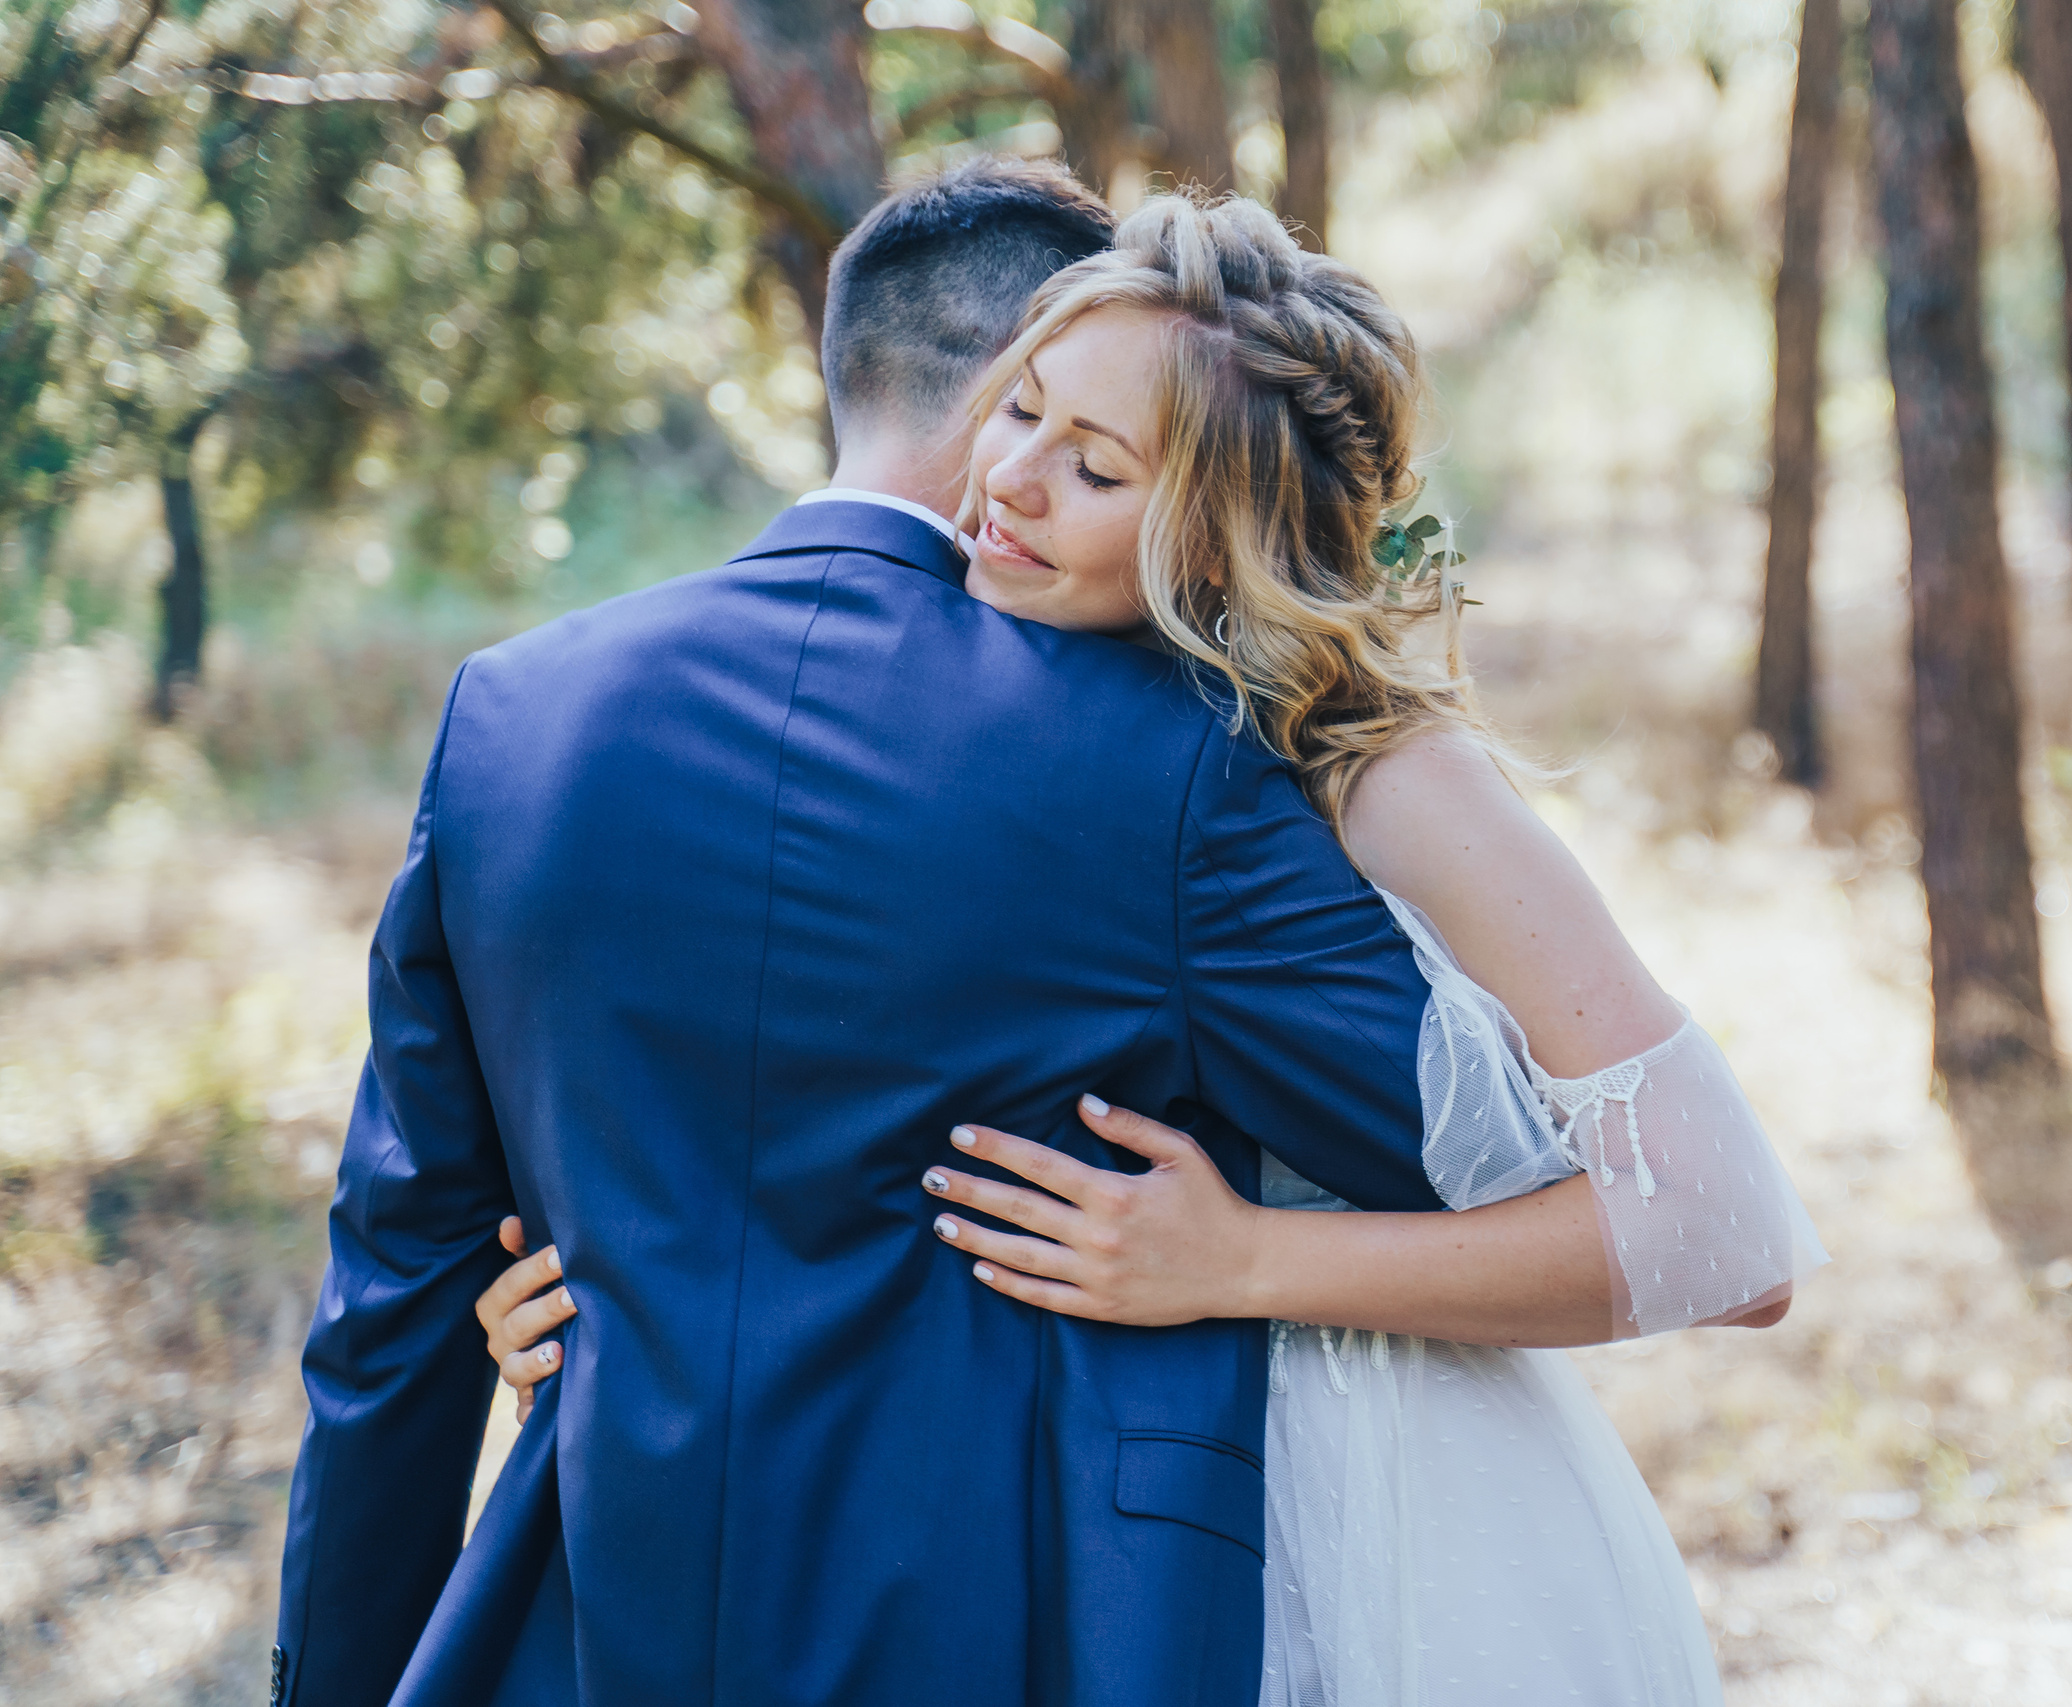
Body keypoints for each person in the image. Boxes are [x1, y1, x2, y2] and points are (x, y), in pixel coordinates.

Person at [476, 187, 1827, 1705]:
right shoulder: (1004, 736)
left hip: (1376, 1501)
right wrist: (599, 1281)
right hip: (1074, 1532)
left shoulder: (1379, 770)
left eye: (1096, 467)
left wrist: (1251, 1257)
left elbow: (1733, 1236)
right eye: (1022, 411)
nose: (1010, 485)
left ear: (1217, 530)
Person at [278, 159, 1500, 1707]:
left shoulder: (514, 717)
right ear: (1021, 380)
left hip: (584, 1630)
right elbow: (1473, 1159)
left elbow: (391, 1307)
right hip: (1022, 1632)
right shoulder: (1174, 763)